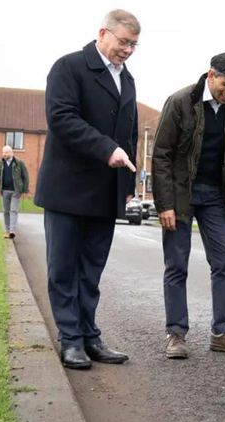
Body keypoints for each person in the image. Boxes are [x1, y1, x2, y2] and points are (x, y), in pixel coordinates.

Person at [34, 9, 140, 370]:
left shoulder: (127, 79)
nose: (128, 50)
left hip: (105, 192)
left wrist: (126, 185)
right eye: (123, 42)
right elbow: (62, 118)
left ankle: (89, 336)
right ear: (103, 33)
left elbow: (129, 134)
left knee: (91, 270)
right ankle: (71, 339)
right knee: (64, 269)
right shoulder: (69, 67)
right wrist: (106, 149)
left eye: (134, 45)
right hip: (67, 189)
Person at [152, 52, 225, 359]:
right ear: (211, 76)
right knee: (177, 265)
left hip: (215, 197)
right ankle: (176, 335)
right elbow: (161, 155)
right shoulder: (180, 102)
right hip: (180, 195)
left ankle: (221, 333)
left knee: (224, 262)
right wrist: (164, 204)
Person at [0, 146, 29, 238]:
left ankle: (12, 230)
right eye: (3, 152)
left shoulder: (19, 163)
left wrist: (24, 189)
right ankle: (7, 230)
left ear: (11, 153)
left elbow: (25, 177)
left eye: (6, 152)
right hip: (4, 191)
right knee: (6, 211)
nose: (4, 154)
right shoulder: (0, 163)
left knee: (13, 210)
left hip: (16, 191)